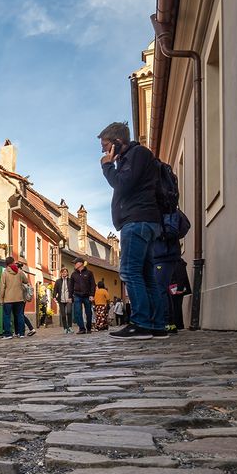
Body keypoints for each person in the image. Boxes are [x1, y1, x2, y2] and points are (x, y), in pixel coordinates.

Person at [100, 121, 165, 340]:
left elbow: (122, 185)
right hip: (145, 220)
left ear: (118, 143)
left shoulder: (136, 155)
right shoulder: (137, 157)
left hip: (137, 221)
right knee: (146, 275)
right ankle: (157, 325)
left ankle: (141, 323)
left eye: (106, 146)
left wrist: (107, 165)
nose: (104, 151)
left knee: (129, 271)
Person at [154, 208, 191, 333]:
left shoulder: (165, 209)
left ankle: (165, 322)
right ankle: (169, 323)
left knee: (160, 289)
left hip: (163, 254)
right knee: (163, 289)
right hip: (164, 254)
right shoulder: (165, 208)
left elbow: (168, 231)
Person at [0, 256, 29, 339]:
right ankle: (21, 333)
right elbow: (26, 281)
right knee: (20, 315)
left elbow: (2, 287)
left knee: (7, 316)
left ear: (6, 264)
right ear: (13, 262)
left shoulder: (4, 273)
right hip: (19, 298)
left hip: (8, 299)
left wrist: (1, 299)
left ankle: (8, 334)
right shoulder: (19, 272)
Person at [70, 258, 95, 334]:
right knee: (78, 312)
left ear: (80, 264)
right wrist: (70, 297)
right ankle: (82, 328)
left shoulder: (89, 273)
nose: (74, 265)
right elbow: (71, 286)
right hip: (77, 295)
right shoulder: (73, 274)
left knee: (88, 312)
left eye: (75, 263)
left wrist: (92, 295)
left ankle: (89, 327)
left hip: (87, 296)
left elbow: (93, 285)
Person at [16, 261, 36, 336]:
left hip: (21, 297)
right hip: (22, 297)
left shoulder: (21, 274)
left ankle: (28, 329)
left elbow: (24, 286)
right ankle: (26, 329)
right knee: (20, 314)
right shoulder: (23, 273)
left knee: (20, 314)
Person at [52, 268, 74, 334]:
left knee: (69, 312)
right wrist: (54, 296)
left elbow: (73, 289)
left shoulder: (70, 281)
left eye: (65, 272)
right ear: (61, 273)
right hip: (61, 300)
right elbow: (55, 289)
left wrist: (72, 297)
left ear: (67, 273)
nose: (64, 273)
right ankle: (65, 328)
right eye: (62, 272)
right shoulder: (58, 281)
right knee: (63, 315)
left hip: (68, 299)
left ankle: (70, 327)